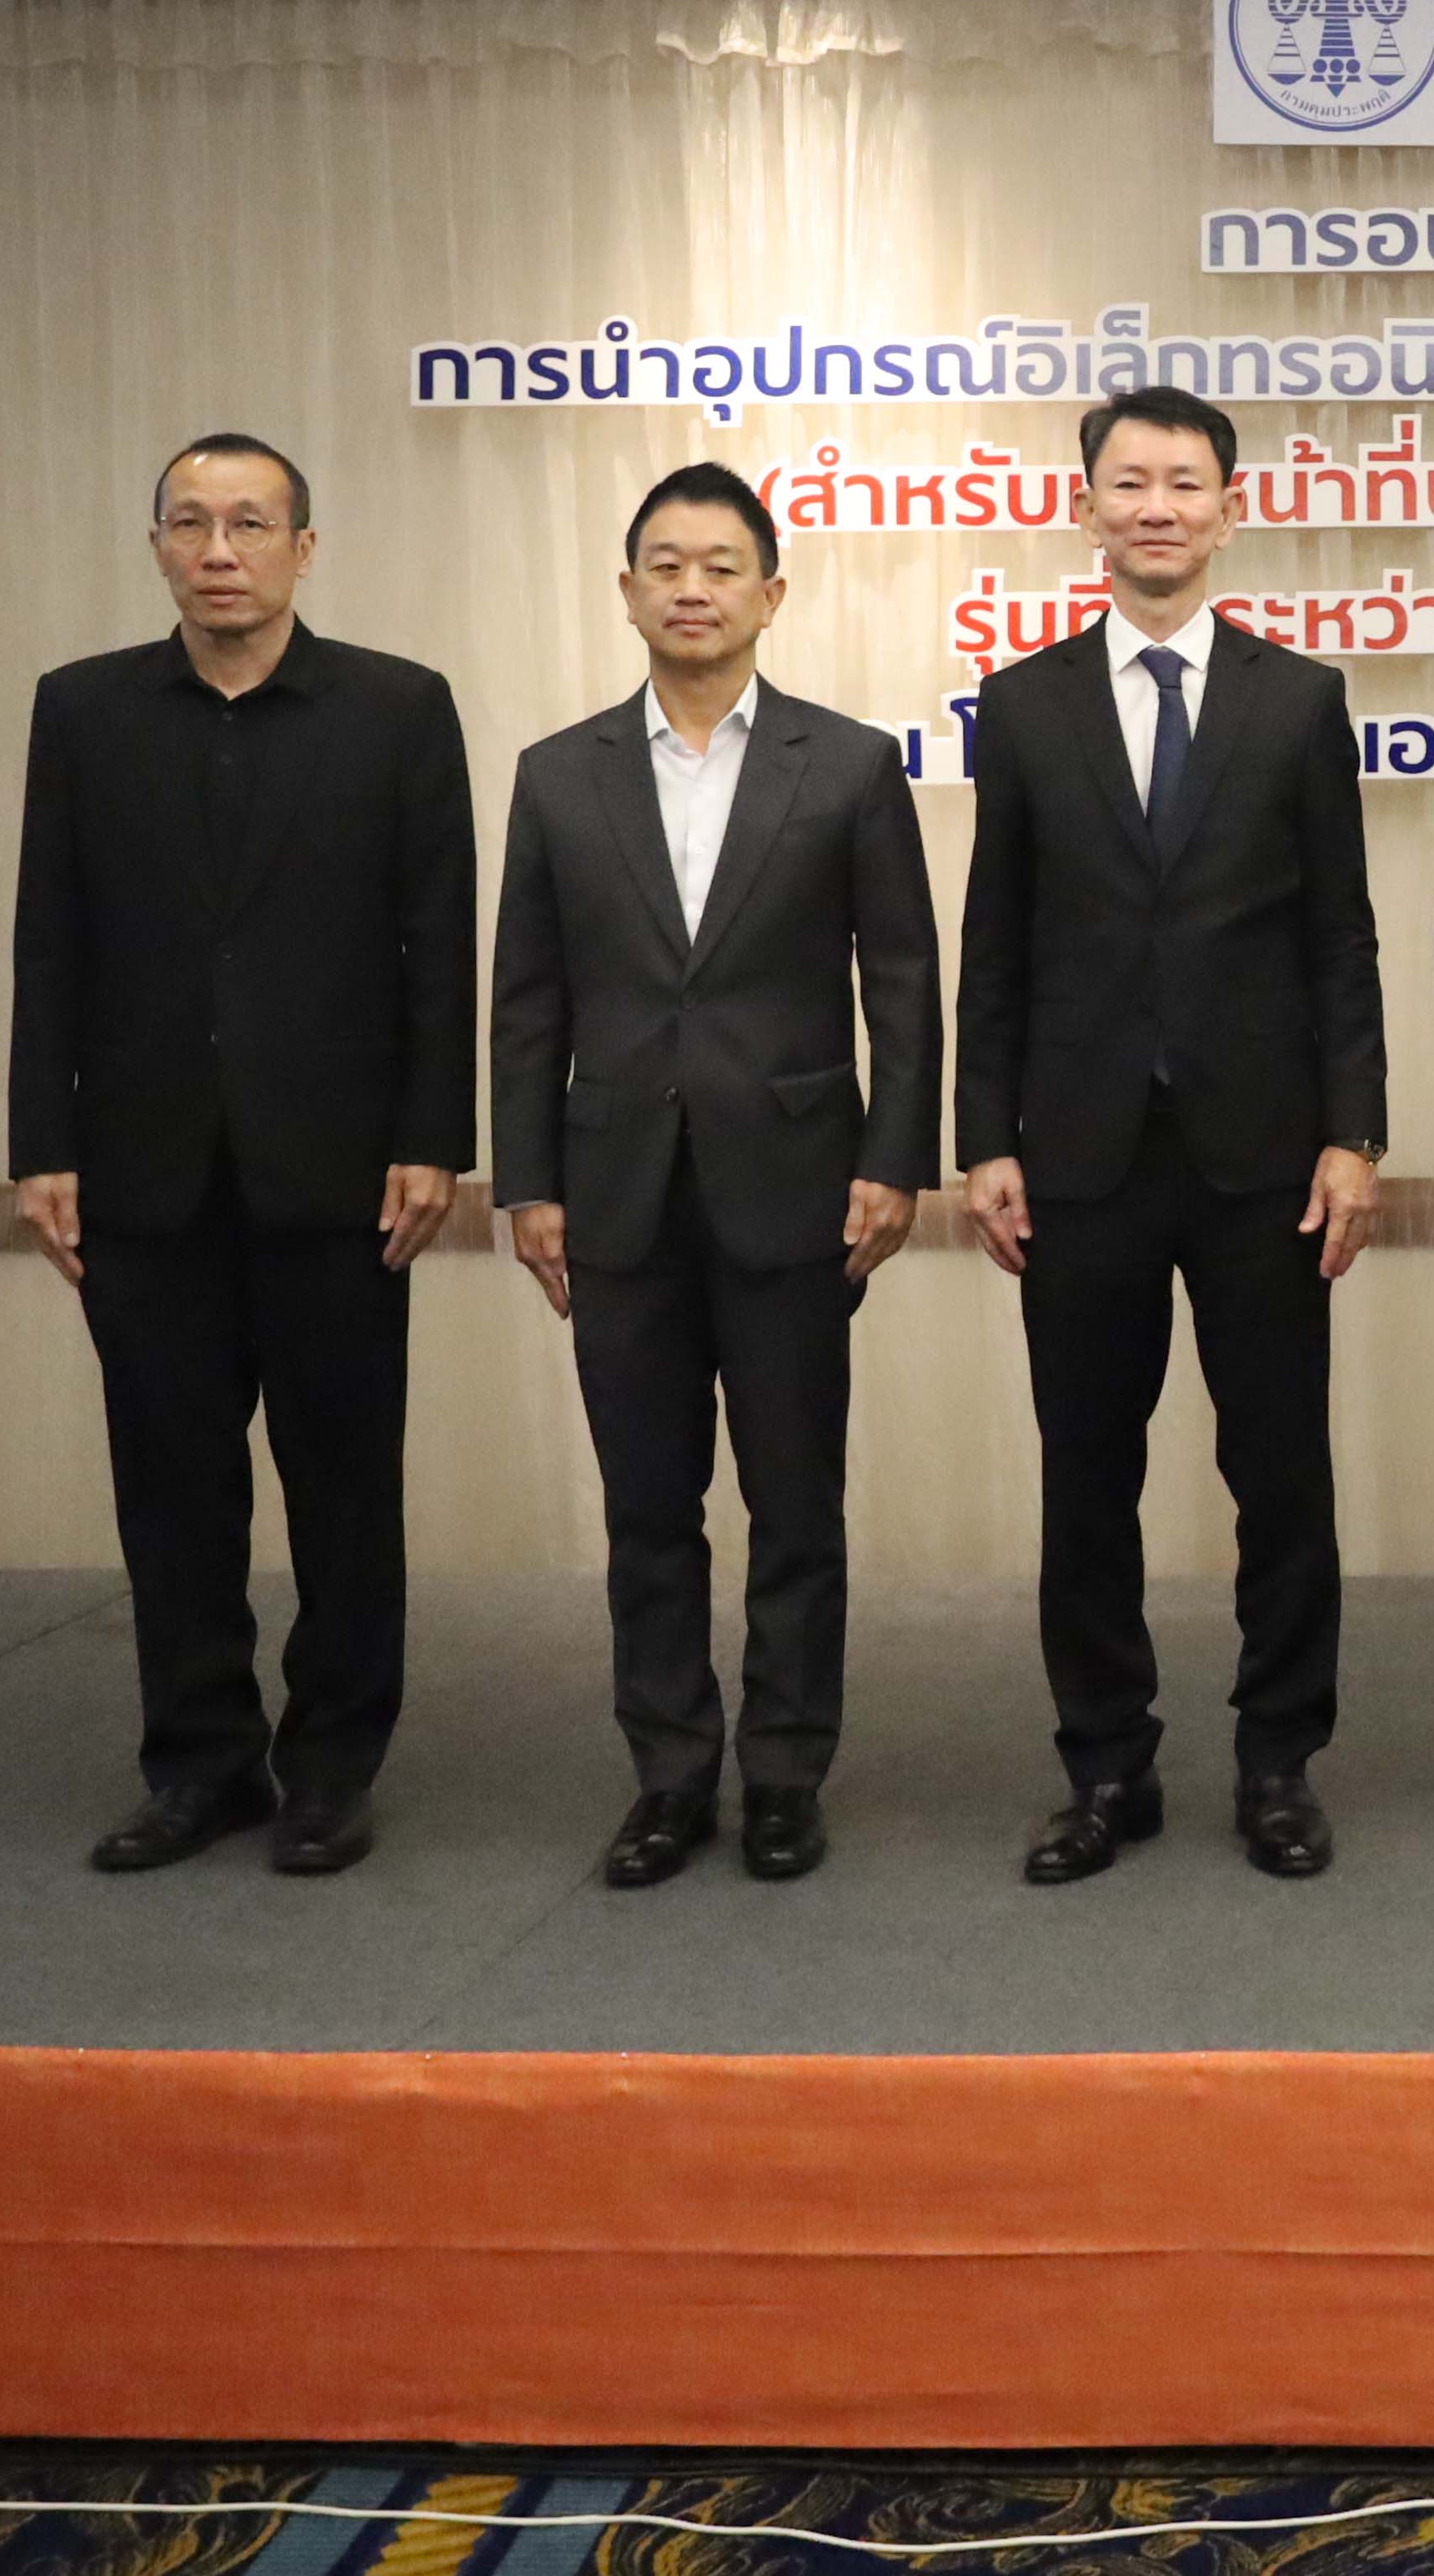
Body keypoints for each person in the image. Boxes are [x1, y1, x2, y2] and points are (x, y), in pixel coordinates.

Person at [11, 435, 474, 1879]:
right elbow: (47, 941)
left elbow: (438, 940)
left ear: (304, 549)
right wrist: (40, 1139)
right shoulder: (84, 711)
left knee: (345, 1486)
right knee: (172, 1487)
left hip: (340, 1172)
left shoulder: (397, 709)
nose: (221, 551)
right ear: (157, 546)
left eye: (252, 524)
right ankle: (199, 1763)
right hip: (142, 1169)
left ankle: (330, 1767)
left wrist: (434, 1138)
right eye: (193, 524)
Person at [954, 386, 1389, 1886]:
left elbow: (1340, 939)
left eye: (1184, 483)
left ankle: (1279, 1762)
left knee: (1282, 1474)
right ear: (1087, 506)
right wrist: (984, 1134)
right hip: (1078, 1156)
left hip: (1264, 1155)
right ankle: (1105, 1766)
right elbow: (995, 942)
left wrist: (1355, 1133)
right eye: (1130, 482)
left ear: (1228, 510)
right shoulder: (1023, 705)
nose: (1157, 507)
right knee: (1089, 1477)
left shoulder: (1299, 700)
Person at [491, 463, 937, 1891]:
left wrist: (894, 1161)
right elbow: (528, 1002)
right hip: (615, 1191)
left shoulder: (849, 765)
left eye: (721, 565)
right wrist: (527, 1183)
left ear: (771, 593)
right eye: (666, 566)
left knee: (796, 1503)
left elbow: (904, 983)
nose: (692, 588)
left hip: (798, 1186)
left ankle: (788, 1774)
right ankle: (671, 1774)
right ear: (627, 592)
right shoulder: (559, 773)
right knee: (648, 1506)